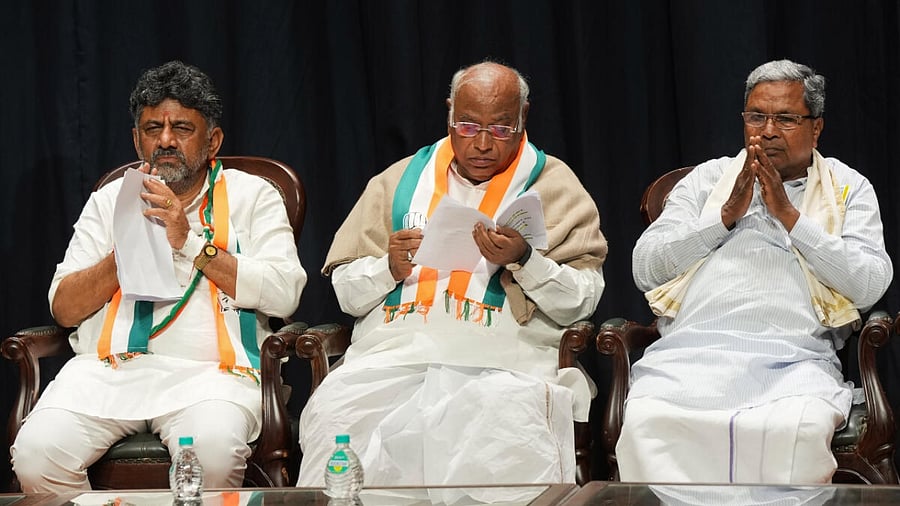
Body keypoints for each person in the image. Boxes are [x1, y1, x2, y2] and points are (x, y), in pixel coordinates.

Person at [297, 61, 607, 494]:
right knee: (339, 419)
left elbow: (582, 299)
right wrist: (389, 267)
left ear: (524, 118)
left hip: (505, 365)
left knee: (502, 427)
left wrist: (525, 260)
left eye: (500, 129)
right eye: (467, 125)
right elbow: (347, 294)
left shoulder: (554, 185)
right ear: (448, 112)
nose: (482, 144)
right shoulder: (397, 180)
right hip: (391, 356)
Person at [10, 61, 307, 493]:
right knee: (36, 455)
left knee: (214, 451)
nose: (165, 140)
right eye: (153, 128)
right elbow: (65, 306)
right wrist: (123, 251)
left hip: (214, 377)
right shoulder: (109, 199)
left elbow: (285, 293)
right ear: (137, 139)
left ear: (212, 141)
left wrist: (190, 242)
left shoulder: (253, 195)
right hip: (109, 372)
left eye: (182, 128)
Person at [618, 59, 893, 484]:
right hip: (691, 357)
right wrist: (724, 217)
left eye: (785, 119)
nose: (766, 131)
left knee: (794, 432)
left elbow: (869, 284)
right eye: (756, 117)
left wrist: (791, 217)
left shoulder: (847, 187)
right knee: (646, 421)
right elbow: (646, 268)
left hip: (795, 361)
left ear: (816, 128)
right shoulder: (708, 181)